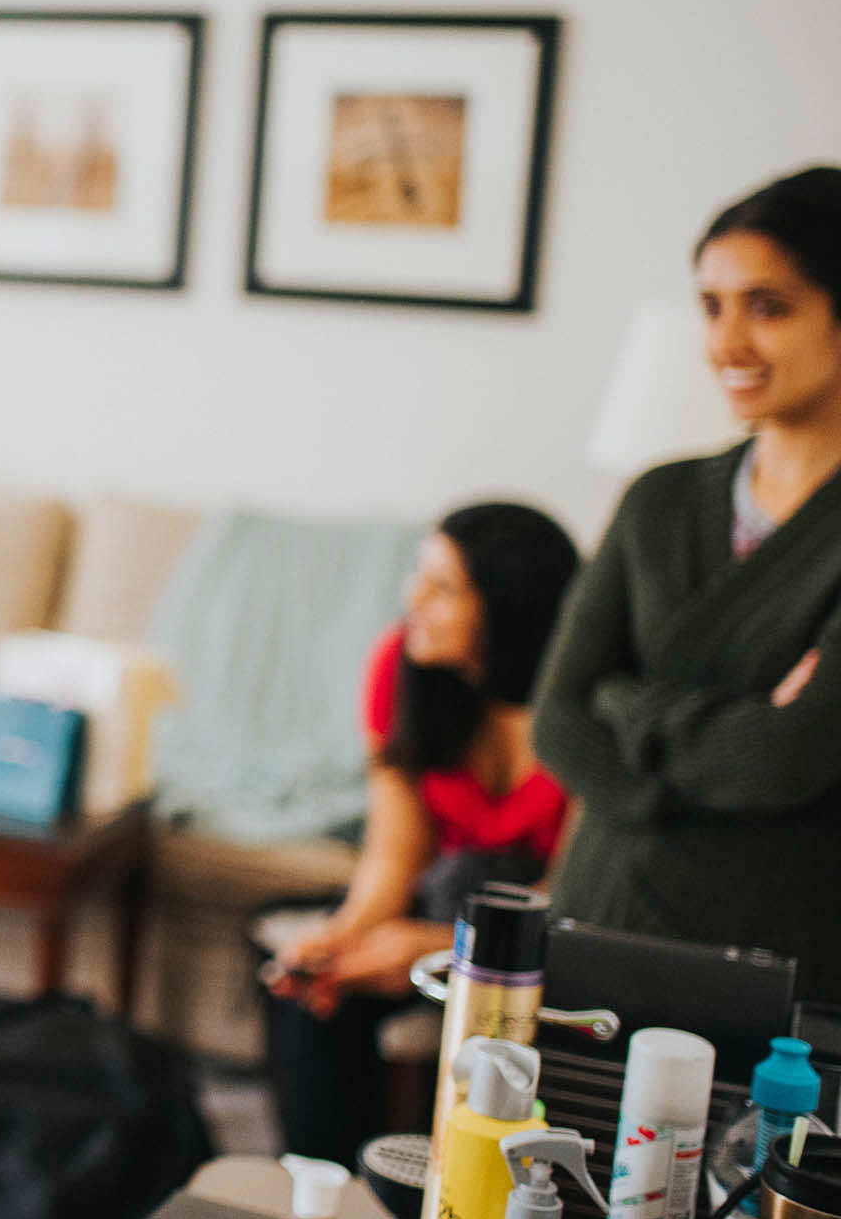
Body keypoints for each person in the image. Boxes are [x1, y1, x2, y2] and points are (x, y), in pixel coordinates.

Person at [534, 165, 841, 1005]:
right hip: (596, 918)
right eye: (712, 306)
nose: (726, 344)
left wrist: (628, 704)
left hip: (774, 961)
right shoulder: (658, 499)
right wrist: (729, 734)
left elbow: (791, 757)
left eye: (767, 306)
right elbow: (558, 719)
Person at [261, 503, 580, 1164]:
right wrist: (346, 932)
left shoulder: (583, 714)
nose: (414, 597)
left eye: (443, 587)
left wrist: (429, 949)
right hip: (445, 900)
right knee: (312, 987)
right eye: (419, 575)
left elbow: (570, 903)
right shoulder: (399, 668)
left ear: (509, 609)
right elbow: (395, 851)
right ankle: (332, 1189)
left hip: (544, 934)